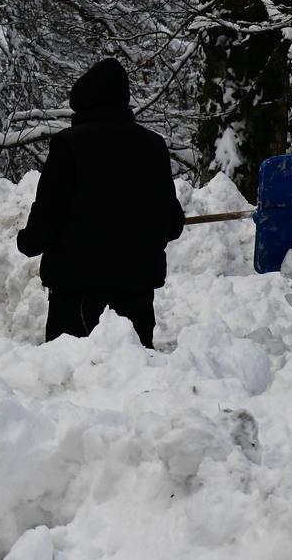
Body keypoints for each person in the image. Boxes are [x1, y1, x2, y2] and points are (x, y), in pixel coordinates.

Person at [16, 57, 184, 347]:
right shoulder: (152, 146)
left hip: (76, 293)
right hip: (136, 290)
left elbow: (48, 213)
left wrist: (28, 241)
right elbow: (171, 223)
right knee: (134, 377)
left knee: (72, 380)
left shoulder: (68, 145)